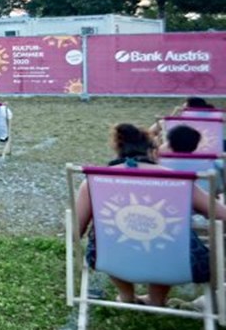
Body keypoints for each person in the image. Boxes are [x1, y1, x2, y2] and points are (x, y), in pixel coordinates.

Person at [70, 123, 222, 308]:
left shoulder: (94, 181)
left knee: (111, 235)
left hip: (109, 257)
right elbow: (221, 214)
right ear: (154, 151)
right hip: (177, 261)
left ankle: (126, 296)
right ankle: (156, 300)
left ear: (118, 150)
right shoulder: (178, 181)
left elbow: (75, 233)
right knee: (166, 238)